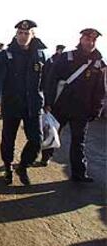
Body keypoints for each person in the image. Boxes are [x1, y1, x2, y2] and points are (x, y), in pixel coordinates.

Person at [40, 28, 106, 183]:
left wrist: (97, 109)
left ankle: (79, 173)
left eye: (93, 40)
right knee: (52, 133)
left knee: (79, 142)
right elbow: (51, 79)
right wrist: (48, 102)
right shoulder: (66, 57)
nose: (90, 42)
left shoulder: (99, 63)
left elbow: (100, 89)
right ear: (81, 39)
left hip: (82, 110)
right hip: (61, 105)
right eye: (87, 39)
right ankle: (46, 156)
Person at [0, 20, 47, 185]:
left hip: (33, 104)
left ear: (32, 35)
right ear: (16, 34)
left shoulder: (41, 55)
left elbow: (46, 81)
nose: (23, 36)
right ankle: (7, 167)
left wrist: (47, 102)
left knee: (36, 140)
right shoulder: (5, 55)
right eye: (20, 33)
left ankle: (23, 166)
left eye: (26, 33)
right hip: (12, 103)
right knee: (8, 139)